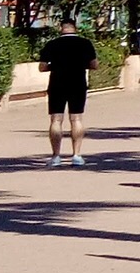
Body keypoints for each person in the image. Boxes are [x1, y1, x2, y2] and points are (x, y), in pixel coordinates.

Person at [36, 18, 98, 166]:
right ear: (75, 28)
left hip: (57, 83)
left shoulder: (52, 44)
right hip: (78, 83)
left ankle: (56, 156)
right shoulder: (85, 43)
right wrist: (79, 65)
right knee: (76, 119)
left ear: (61, 28)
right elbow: (94, 65)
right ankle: (76, 155)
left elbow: (42, 67)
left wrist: (56, 66)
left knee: (56, 119)